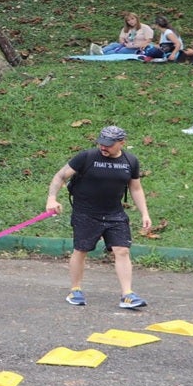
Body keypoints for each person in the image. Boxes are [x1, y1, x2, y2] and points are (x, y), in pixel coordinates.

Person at [45, 125, 150, 310]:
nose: (103, 147)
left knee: (122, 250)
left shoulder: (130, 161)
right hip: (86, 212)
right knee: (81, 250)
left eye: (109, 144)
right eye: (101, 143)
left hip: (114, 213)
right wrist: (52, 199)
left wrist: (144, 213)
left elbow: (136, 188)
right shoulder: (87, 157)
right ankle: (75, 290)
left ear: (122, 143)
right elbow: (60, 176)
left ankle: (127, 294)